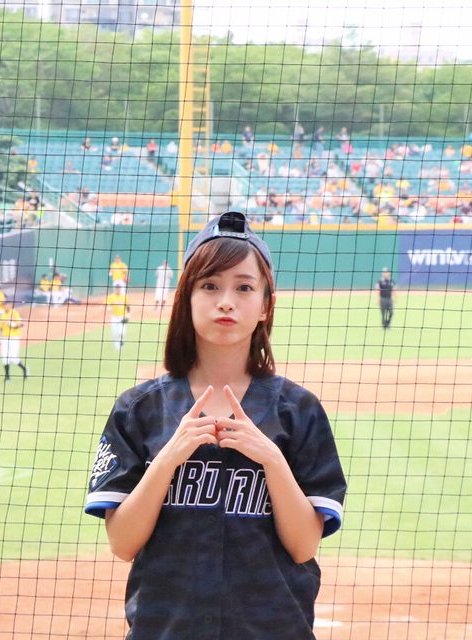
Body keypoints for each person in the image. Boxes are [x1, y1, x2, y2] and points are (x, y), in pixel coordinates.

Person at [85, 210, 346, 639]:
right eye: (210, 285)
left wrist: (272, 460)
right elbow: (122, 543)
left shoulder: (299, 411)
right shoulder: (140, 409)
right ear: (186, 298)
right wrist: (168, 458)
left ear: (265, 305)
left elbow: (304, 546)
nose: (226, 301)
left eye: (244, 287)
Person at [0, 301, 28, 382]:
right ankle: (7, 376)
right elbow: (0, 327)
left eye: (7, 305)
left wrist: (11, 323)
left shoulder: (15, 313)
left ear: (11, 305)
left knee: (13, 357)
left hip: (14, 338)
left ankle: (24, 369)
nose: (6, 307)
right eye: (4, 305)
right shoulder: (2, 315)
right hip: (4, 338)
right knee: (4, 356)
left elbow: (20, 324)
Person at [106, 283, 130, 350]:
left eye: (119, 288)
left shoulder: (124, 297)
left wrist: (128, 316)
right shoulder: (111, 297)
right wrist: (109, 308)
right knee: (115, 333)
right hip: (114, 317)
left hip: (122, 317)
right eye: (117, 288)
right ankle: (117, 347)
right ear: (115, 289)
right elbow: (108, 305)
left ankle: (122, 341)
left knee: (121, 332)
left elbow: (128, 307)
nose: (118, 290)